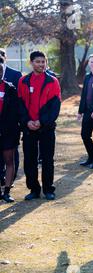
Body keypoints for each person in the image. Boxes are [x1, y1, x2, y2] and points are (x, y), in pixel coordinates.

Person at [17, 51, 61, 201]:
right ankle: (34, 189)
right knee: (30, 160)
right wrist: (27, 122)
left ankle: (48, 189)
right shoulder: (23, 81)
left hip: (47, 128)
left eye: (43, 62)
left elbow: (55, 107)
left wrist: (41, 122)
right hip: (28, 128)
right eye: (38, 61)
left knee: (48, 159)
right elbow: (20, 105)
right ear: (31, 63)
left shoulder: (53, 81)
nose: (41, 64)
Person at [0, 58, 21, 202]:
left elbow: (15, 114)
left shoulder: (11, 89)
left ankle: (7, 191)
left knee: (9, 162)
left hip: (8, 133)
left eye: (0, 71)